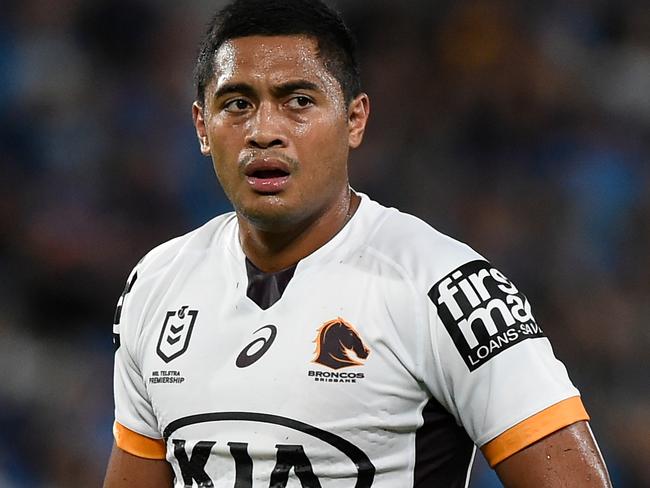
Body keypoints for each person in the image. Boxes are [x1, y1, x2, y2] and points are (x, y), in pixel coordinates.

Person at [103, 0, 612, 486]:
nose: (264, 131)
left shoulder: (446, 288)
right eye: (237, 104)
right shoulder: (157, 284)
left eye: (298, 102)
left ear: (354, 120)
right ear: (202, 127)